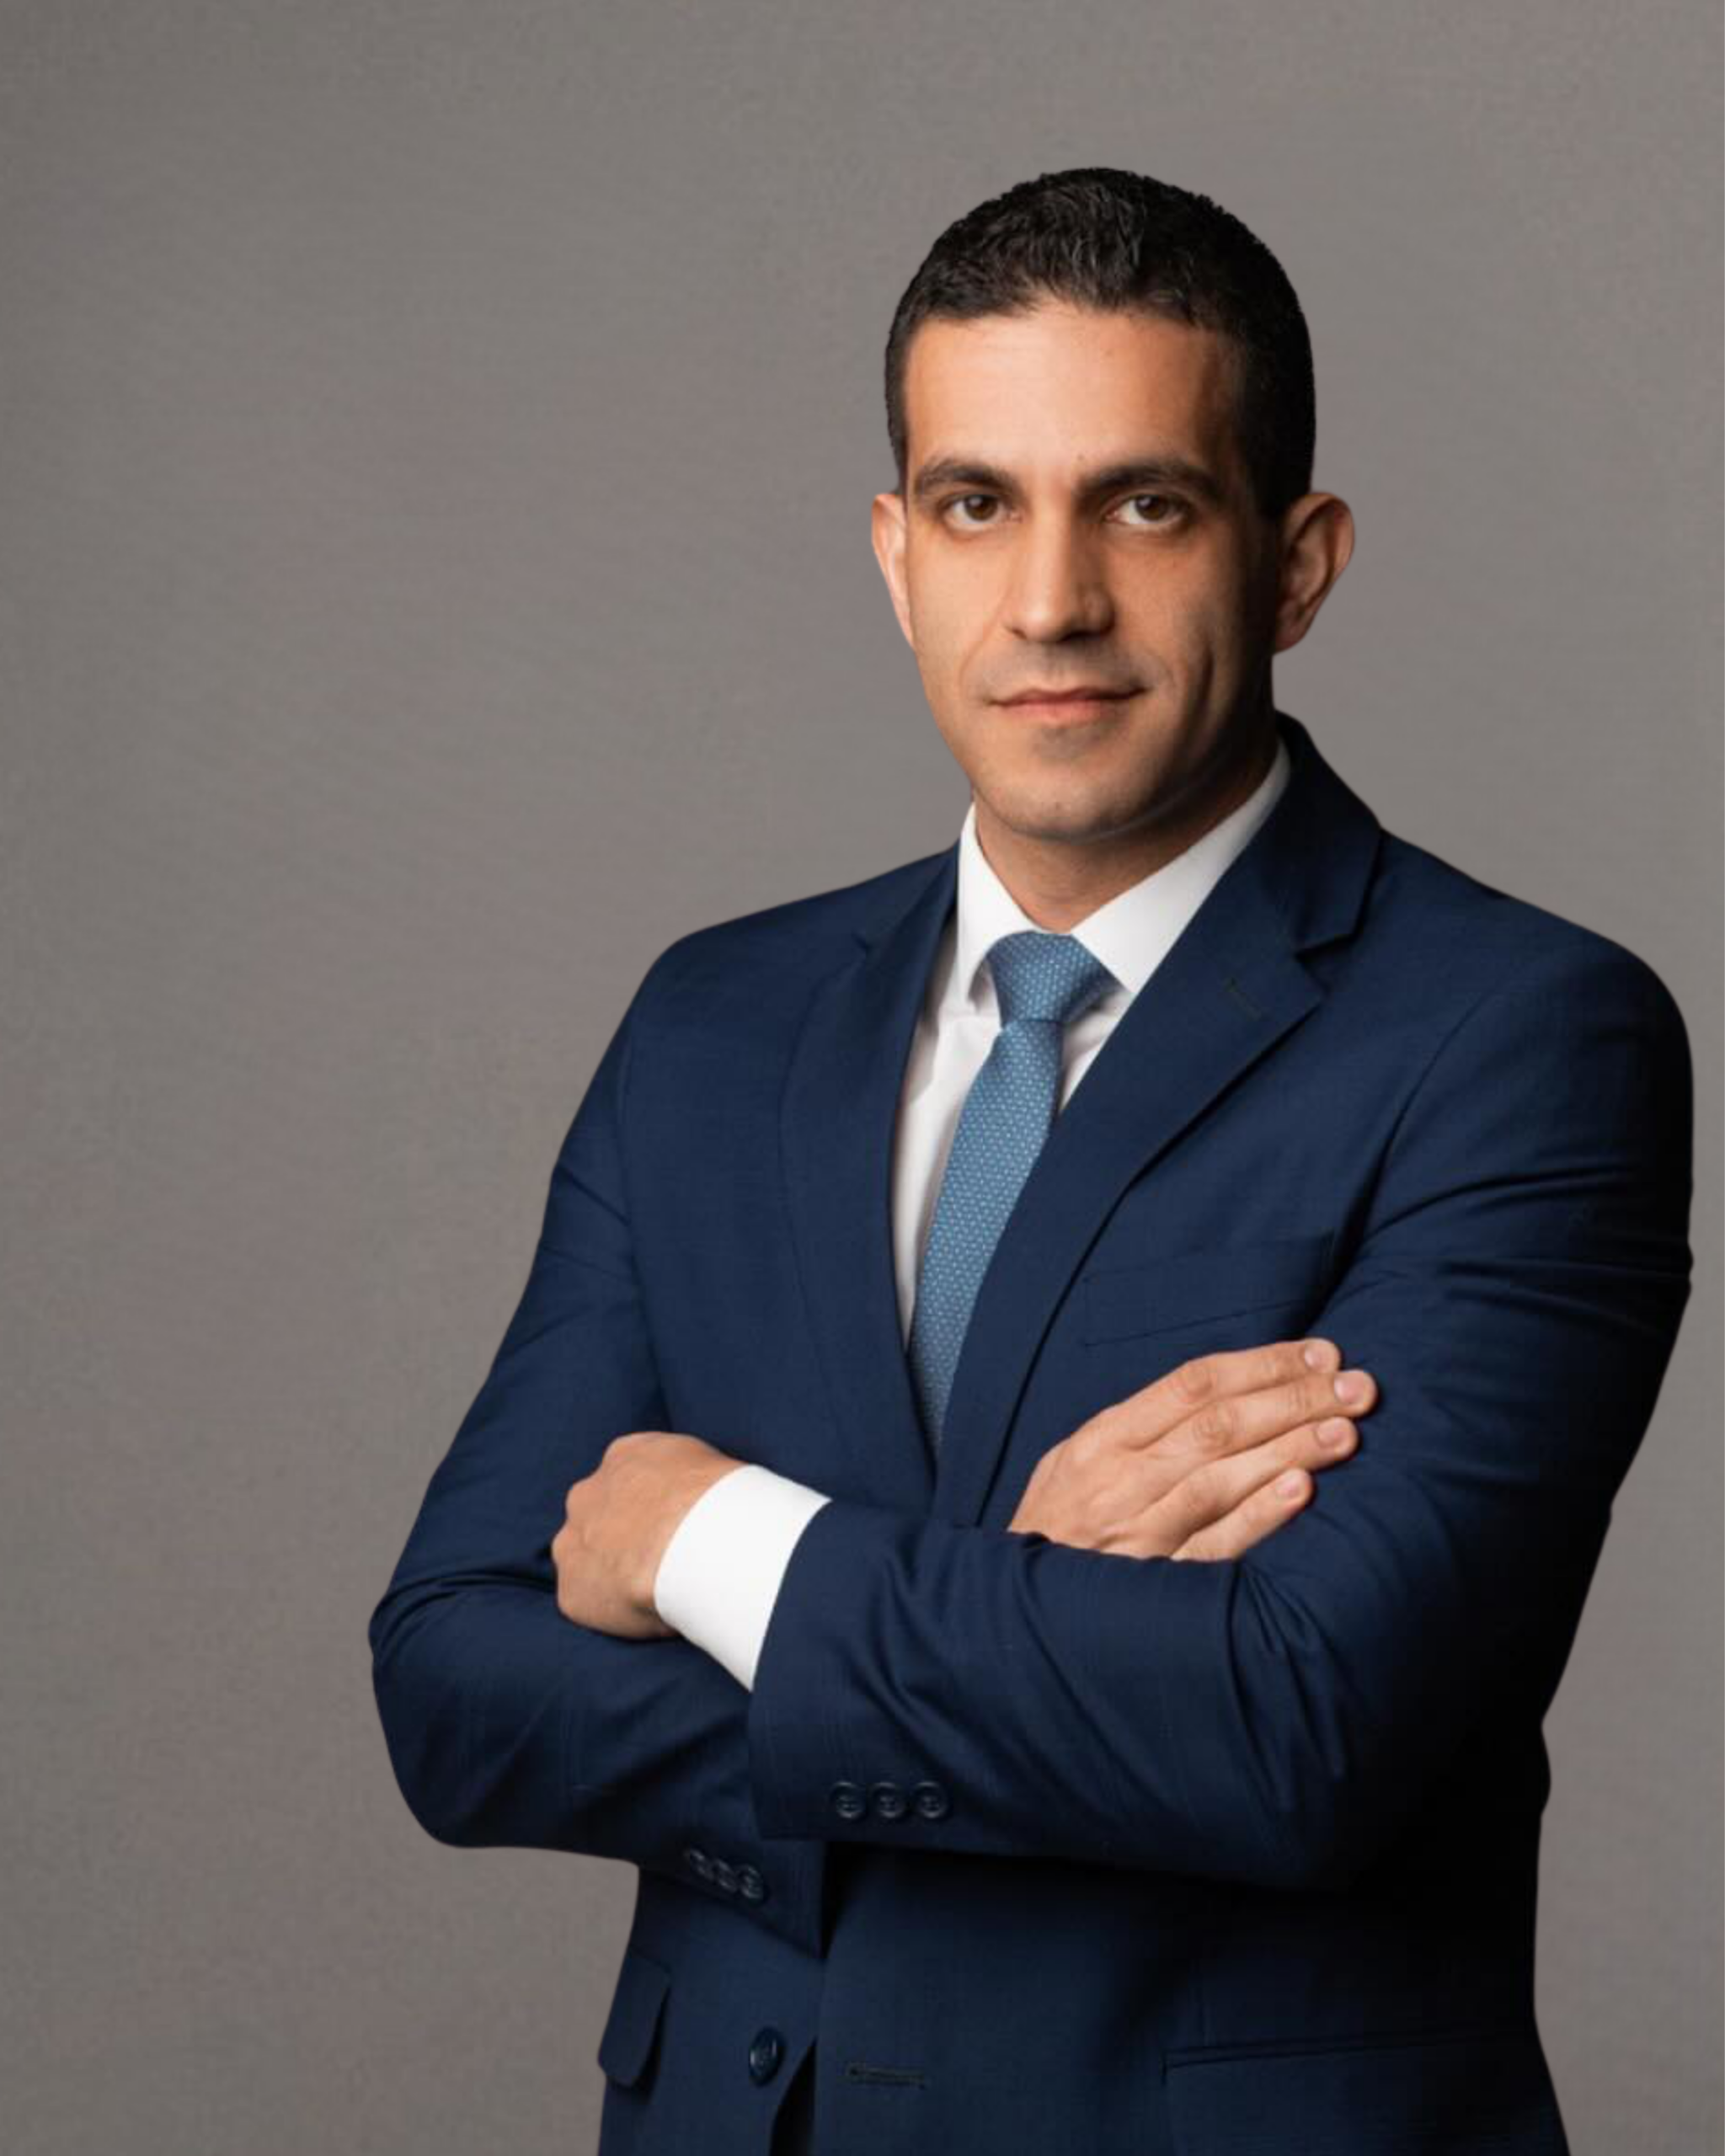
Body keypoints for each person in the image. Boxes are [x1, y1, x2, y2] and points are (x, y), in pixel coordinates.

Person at [367, 168, 1694, 2155]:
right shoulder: (714, 1023)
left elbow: (1298, 1728)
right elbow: (456, 1682)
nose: (1051, 600)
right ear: (896, 554)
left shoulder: (1518, 1037)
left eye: (1143, 505)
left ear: (1296, 562)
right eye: (978, 504)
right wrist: (1033, 1642)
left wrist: (723, 1543)